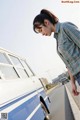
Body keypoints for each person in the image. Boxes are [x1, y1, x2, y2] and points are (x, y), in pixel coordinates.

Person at [33, 9, 80, 96]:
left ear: (46, 23)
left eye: (41, 30)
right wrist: (73, 83)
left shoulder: (65, 27)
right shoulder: (58, 39)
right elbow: (68, 65)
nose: (42, 34)